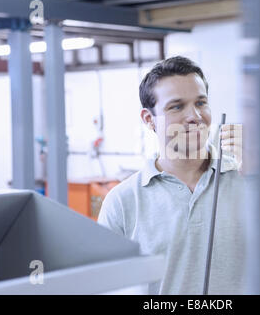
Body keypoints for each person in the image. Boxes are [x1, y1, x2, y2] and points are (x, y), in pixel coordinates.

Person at [98, 56, 246, 294]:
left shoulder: (247, 180)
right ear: (149, 119)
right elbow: (106, 287)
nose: (194, 116)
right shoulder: (122, 202)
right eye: (177, 106)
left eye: (200, 103)